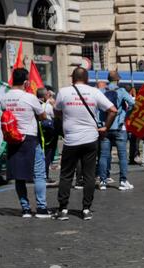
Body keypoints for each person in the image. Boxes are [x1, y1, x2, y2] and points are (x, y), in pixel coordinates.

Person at [54, 67, 117, 221]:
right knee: (89, 175)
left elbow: (56, 112)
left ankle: (63, 209)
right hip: (90, 138)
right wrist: (105, 128)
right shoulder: (94, 92)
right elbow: (113, 110)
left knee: (66, 175)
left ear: (72, 78)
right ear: (87, 78)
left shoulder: (63, 92)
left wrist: (64, 122)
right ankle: (86, 209)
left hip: (71, 139)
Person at [1, 68, 52, 219]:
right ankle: (41, 208)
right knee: (39, 174)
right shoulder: (30, 97)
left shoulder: (4, 98)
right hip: (29, 138)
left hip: (12, 139)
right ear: (25, 82)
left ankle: (26, 209)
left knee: (19, 176)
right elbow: (42, 116)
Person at [98, 71, 135, 191]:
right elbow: (133, 103)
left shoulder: (102, 91)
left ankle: (103, 181)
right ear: (118, 80)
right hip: (119, 127)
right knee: (122, 156)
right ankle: (123, 181)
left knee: (103, 156)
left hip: (105, 127)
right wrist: (125, 114)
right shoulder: (121, 91)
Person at [37, 87, 59, 185]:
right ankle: (44, 176)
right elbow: (55, 116)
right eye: (47, 95)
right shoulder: (47, 106)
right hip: (47, 134)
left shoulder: (36, 104)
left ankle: (40, 175)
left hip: (38, 131)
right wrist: (54, 104)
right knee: (47, 155)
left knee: (41, 155)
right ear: (44, 96)